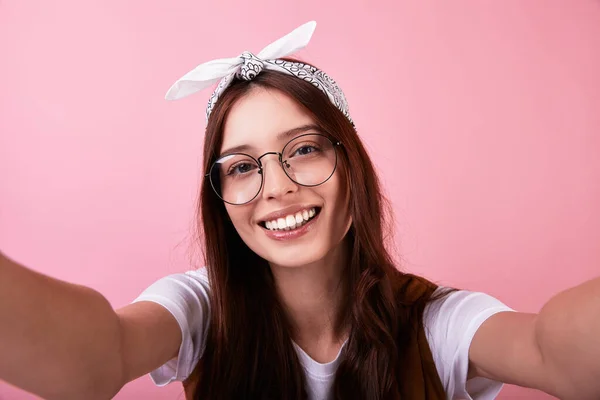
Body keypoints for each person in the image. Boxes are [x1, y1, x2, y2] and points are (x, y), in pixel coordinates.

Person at [1, 21, 599, 400]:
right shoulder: (200, 310)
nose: (276, 187)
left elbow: (556, 354)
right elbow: (94, 361)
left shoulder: (435, 322)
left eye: (304, 151)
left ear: (352, 161)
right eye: (241, 166)